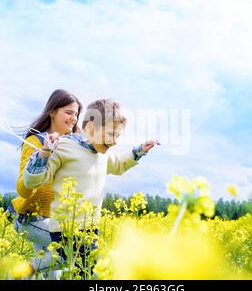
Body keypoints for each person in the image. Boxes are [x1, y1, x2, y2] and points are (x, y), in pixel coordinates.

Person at [23, 99, 160, 278]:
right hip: (67, 228)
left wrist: (139, 151)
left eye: (118, 136)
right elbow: (33, 181)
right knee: (88, 271)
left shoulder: (103, 155)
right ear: (90, 128)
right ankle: (28, 269)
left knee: (79, 269)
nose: (115, 141)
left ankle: (27, 270)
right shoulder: (64, 147)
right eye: (111, 134)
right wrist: (44, 153)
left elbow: (119, 165)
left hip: (90, 229)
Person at [6, 89, 82, 279]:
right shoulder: (35, 141)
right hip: (33, 218)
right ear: (52, 112)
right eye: (69, 112)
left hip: (53, 219)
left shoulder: (71, 144)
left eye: (76, 114)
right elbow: (23, 188)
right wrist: (43, 155)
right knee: (71, 253)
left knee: (51, 274)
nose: (74, 118)